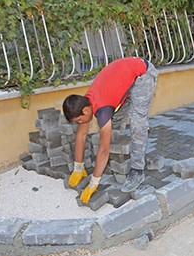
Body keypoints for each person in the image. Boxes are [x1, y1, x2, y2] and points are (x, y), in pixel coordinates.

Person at [62, 56, 159, 203]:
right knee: (117, 120)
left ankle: (137, 170)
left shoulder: (102, 111)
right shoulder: (85, 102)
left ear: (85, 111)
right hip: (125, 77)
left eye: (79, 120)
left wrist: (94, 183)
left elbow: (103, 149)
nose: (80, 123)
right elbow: (81, 136)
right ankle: (121, 157)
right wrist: (78, 167)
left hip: (143, 74)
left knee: (137, 123)